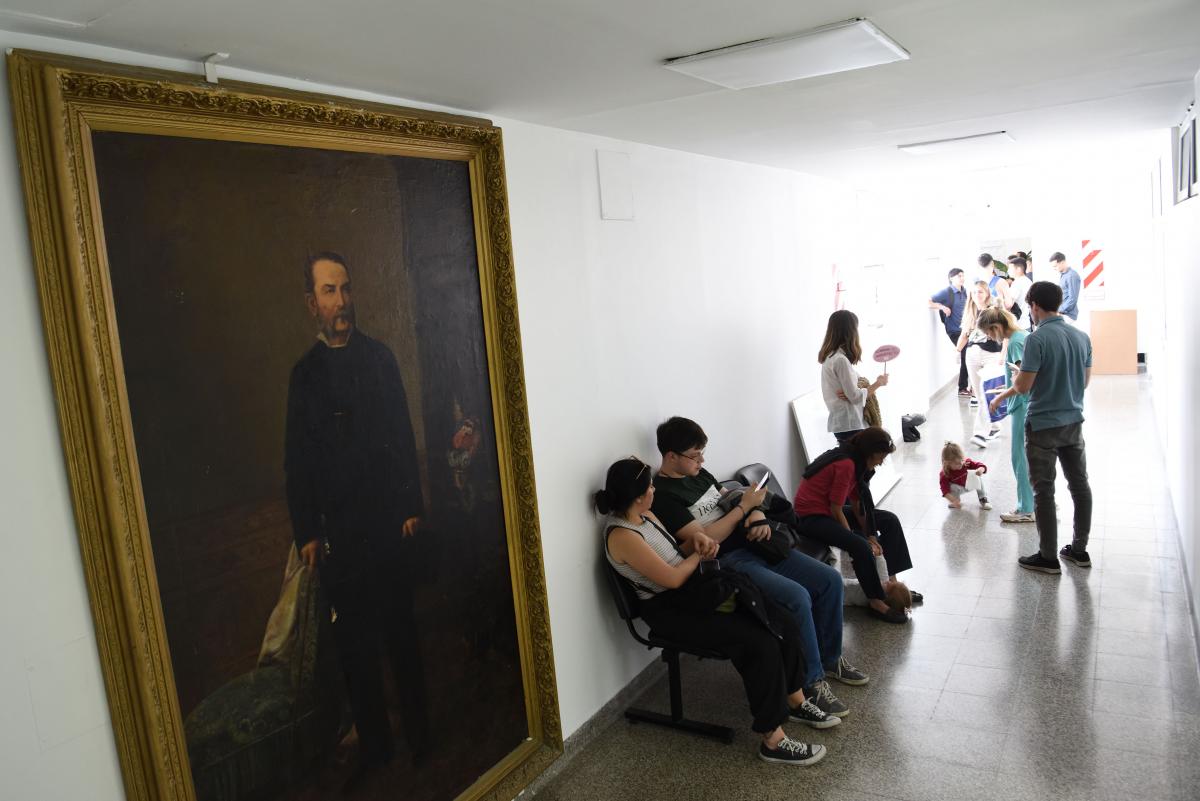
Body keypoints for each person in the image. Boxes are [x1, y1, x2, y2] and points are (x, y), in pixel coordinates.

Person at [284, 251, 428, 788]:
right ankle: (377, 744)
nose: (341, 301)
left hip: (389, 527)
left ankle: (421, 736)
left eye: (345, 288)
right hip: (340, 535)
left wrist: (412, 505)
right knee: (356, 651)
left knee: (401, 636)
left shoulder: (380, 359)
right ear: (311, 304)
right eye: (328, 291)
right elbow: (296, 462)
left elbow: (402, 436)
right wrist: (307, 534)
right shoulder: (304, 376)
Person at [598, 457, 829, 765]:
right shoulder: (622, 535)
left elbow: (674, 554)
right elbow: (673, 576)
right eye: (651, 486)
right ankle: (773, 741)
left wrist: (696, 542)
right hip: (670, 610)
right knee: (758, 642)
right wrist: (700, 552)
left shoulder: (647, 515)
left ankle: (795, 699)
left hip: (693, 593)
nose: (654, 489)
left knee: (779, 618)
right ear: (639, 495)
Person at [650, 417, 867, 720]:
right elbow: (706, 540)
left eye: (702, 453)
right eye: (694, 455)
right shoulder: (662, 495)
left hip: (758, 544)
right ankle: (809, 681)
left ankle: (830, 658)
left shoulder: (700, 475)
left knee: (830, 579)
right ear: (670, 456)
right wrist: (744, 509)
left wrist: (754, 514)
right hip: (728, 561)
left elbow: (732, 498)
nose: (701, 460)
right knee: (797, 596)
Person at [1007, 281, 1094, 573]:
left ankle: (1048, 557)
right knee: (1080, 486)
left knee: (1044, 491)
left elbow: (1023, 387)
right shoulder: (1081, 336)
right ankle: (1079, 550)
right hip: (1073, 422)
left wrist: (1020, 373)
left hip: (1043, 425)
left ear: (1033, 306)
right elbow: (1085, 381)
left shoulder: (1036, 340)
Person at [793, 428, 918, 624]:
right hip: (810, 516)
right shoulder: (846, 464)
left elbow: (859, 504)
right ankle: (876, 600)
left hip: (827, 510)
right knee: (860, 546)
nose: (881, 461)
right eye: (881, 456)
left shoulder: (857, 463)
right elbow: (836, 509)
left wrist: (871, 535)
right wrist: (856, 537)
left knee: (889, 520)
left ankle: (892, 585)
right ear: (871, 452)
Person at [978, 307, 1035, 523]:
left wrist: (999, 397)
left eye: (990, 333)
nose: (991, 338)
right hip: (1025, 403)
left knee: (1020, 457)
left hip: (1023, 404)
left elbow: (1022, 380)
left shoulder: (1016, 342)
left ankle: (1026, 508)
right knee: (1030, 456)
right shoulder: (1021, 338)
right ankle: (1037, 500)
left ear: (996, 327)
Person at [818, 310, 888, 442]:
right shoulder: (840, 360)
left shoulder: (831, 357)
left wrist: (852, 391)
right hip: (849, 425)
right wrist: (878, 383)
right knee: (857, 462)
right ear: (850, 331)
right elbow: (855, 397)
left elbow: (852, 392)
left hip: (844, 424)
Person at [957, 280, 1003, 446]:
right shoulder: (970, 312)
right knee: (980, 394)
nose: (977, 295)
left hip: (992, 354)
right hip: (972, 355)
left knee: (986, 394)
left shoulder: (995, 311)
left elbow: (1006, 334)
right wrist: (957, 352)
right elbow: (964, 334)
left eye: (981, 292)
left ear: (987, 294)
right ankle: (996, 426)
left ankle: (980, 434)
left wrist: (1003, 355)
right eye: (974, 292)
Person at [928, 268, 970, 396]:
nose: (962, 278)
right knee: (966, 354)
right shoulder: (946, 292)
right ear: (951, 278)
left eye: (963, 276)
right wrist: (942, 307)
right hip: (954, 331)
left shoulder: (964, 291)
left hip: (966, 330)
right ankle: (962, 388)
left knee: (969, 355)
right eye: (959, 276)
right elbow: (928, 301)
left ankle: (968, 386)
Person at [842, 554, 912, 614]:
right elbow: (883, 573)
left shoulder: (873, 594)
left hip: (840, 592)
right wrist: (879, 555)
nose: (888, 582)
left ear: (884, 598)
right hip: (844, 583)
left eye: (888, 585)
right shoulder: (881, 590)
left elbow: (877, 576)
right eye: (891, 582)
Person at [938, 442, 990, 510]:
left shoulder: (966, 463)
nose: (961, 464)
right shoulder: (945, 474)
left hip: (970, 484)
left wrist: (981, 470)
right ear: (947, 463)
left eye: (962, 460)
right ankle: (956, 500)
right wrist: (953, 500)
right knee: (951, 486)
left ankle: (983, 498)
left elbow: (981, 465)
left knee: (978, 477)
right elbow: (945, 491)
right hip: (958, 488)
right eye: (957, 463)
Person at [1050, 252, 1081, 321]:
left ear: (1062, 262)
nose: (1054, 268)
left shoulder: (1072, 276)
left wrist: (1059, 310)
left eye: (1055, 266)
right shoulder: (1064, 275)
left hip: (1068, 315)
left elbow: (1072, 298)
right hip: (1062, 313)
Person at [1006, 257, 1033, 329]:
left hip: (1018, 324)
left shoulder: (1017, 283)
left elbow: (1009, 304)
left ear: (1018, 269)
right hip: (1026, 323)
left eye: (1010, 268)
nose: (1008, 271)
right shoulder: (1028, 281)